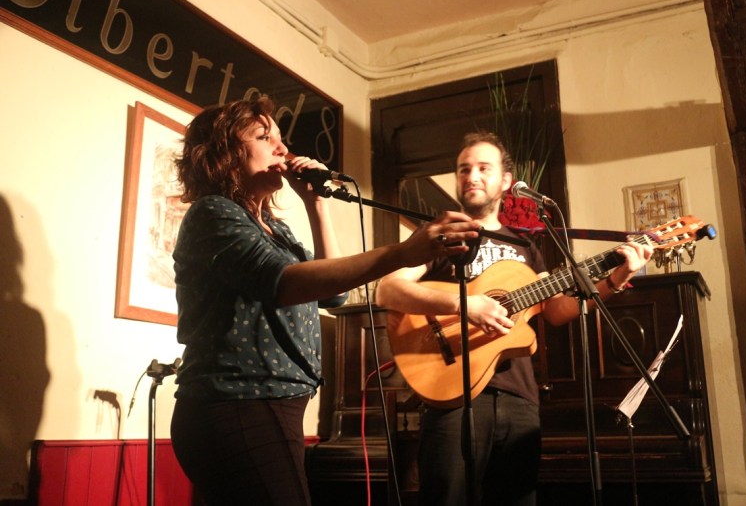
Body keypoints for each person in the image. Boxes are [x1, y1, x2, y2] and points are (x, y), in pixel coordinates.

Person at [169, 96, 482, 506]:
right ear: (223, 153)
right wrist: (402, 253)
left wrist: (316, 204)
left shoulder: (274, 227)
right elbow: (282, 282)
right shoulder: (214, 212)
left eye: (280, 138)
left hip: (267, 405)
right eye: (264, 137)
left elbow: (333, 293)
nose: (283, 148)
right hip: (238, 404)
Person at [375, 131, 653, 506]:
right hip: (452, 394)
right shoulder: (442, 236)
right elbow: (387, 290)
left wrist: (616, 278)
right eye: (464, 169)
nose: (471, 176)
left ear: (506, 181)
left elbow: (557, 310)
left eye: (483, 168)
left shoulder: (526, 247)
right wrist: (465, 305)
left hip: (519, 400)